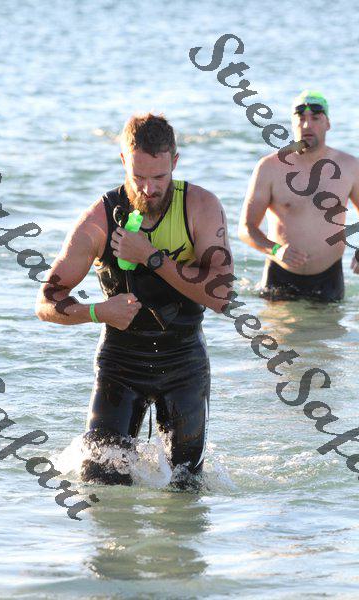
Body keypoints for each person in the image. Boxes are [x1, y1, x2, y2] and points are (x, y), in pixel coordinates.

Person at [35, 113, 233, 487]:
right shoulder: (99, 218)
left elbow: (222, 296)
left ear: (175, 162)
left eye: (159, 177)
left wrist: (151, 257)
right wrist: (98, 311)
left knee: (185, 486)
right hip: (120, 366)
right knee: (100, 481)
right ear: (123, 160)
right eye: (139, 176)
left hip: (184, 363)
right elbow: (45, 302)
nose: (148, 188)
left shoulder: (200, 207)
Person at [238, 90, 359, 302]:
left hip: (329, 279)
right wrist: (275, 250)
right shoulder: (269, 167)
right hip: (279, 277)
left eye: (315, 118)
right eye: (300, 118)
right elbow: (246, 228)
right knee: (277, 326)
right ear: (292, 123)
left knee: (334, 325)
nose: (307, 124)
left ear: (328, 124)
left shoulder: (350, 166)